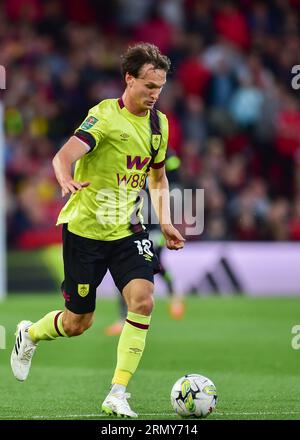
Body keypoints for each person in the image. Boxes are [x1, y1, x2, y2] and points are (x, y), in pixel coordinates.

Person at [10, 43, 185, 418]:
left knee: (143, 300)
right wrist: (64, 179)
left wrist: (166, 220)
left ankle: (117, 392)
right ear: (129, 78)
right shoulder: (104, 116)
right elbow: (63, 156)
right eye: (148, 85)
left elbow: (157, 176)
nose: (155, 94)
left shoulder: (159, 125)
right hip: (85, 230)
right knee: (78, 323)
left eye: (160, 87)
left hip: (127, 228)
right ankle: (30, 334)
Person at [105, 150, 185, 337]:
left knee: (149, 266)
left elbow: (172, 171)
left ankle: (174, 294)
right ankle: (123, 318)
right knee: (130, 271)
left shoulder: (161, 154)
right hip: (133, 227)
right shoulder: (130, 158)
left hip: (154, 228)